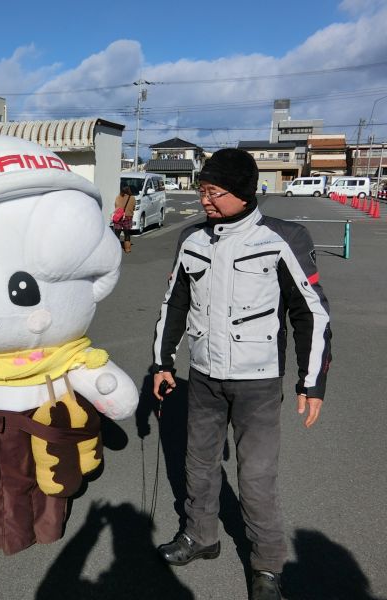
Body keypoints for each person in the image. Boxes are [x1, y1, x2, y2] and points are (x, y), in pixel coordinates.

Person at [151, 148, 331, 600]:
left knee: (255, 478)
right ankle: (200, 536)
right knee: (198, 464)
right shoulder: (192, 238)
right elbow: (174, 303)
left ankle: (267, 566)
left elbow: (310, 313)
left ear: (243, 191)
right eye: (202, 191)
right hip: (204, 376)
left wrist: (311, 382)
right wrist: (162, 362)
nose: (204, 200)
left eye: (214, 192)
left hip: (259, 382)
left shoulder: (283, 237)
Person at [113, 185, 136, 253]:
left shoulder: (118, 197)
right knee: (127, 233)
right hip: (128, 217)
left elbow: (116, 206)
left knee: (117, 233)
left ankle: (116, 249)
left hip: (119, 217)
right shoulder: (132, 198)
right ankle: (127, 249)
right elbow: (133, 207)